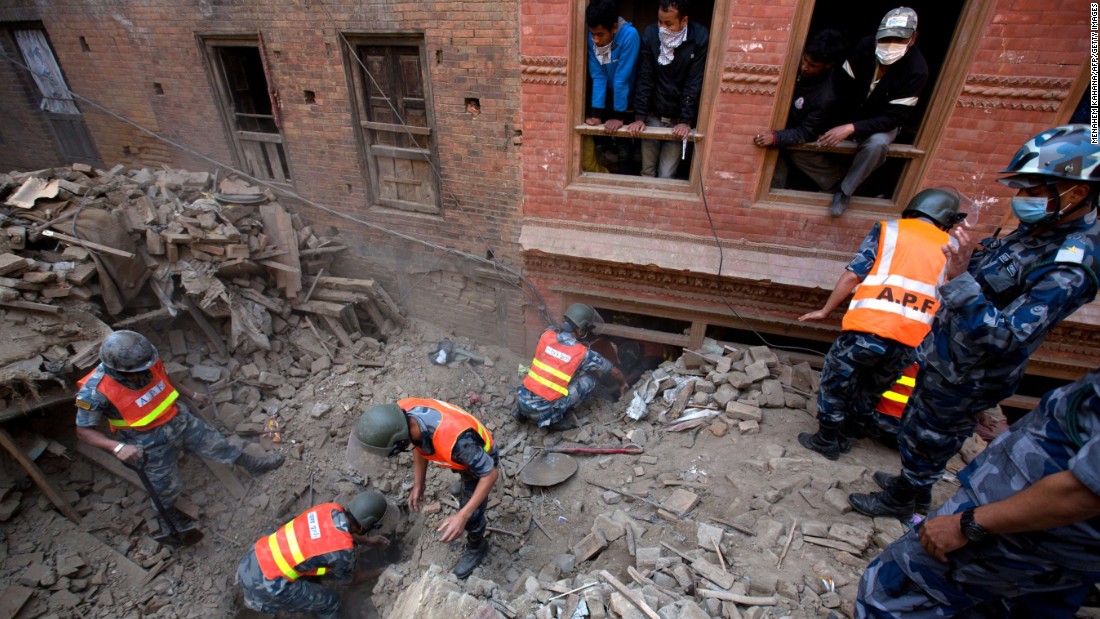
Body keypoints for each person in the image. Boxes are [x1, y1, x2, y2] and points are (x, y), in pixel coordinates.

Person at [850, 124, 1100, 518]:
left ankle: (905, 499)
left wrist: (960, 277)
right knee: (918, 426)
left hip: (970, 374)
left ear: (1077, 192)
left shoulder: (1069, 265)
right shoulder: (1038, 231)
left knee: (934, 436)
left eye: (1033, 191)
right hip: (947, 356)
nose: (1022, 199)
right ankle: (909, 484)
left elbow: (1007, 336)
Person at [855, 370, 1100, 618]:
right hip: (1054, 538)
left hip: (1027, 527)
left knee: (889, 594)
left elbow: (1084, 491)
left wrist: (970, 523)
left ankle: (909, 490)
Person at [797, 189, 964, 460]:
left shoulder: (890, 230)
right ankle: (848, 435)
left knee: (837, 381)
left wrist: (826, 310)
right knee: (872, 388)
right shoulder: (953, 249)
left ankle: (826, 439)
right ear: (946, 218)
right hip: (909, 339)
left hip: (868, 328)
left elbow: (853, 276)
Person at [74, 330, 284, 541]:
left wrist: (191, 393)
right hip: (148, 443)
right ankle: (170, 518)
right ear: (119, 369)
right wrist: (117, 448)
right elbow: (83, 431)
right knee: (164, 486)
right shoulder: (95, 391)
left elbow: (164, 378)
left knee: (218, 445)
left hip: (180, 422)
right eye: (140, 370)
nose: (146, 370)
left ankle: (254, 465)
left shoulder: (147, 361)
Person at [790, 7, 929, 216]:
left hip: (881, 122)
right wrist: (830, 121)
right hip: (850, 112)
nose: (890, 45)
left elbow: (894, 117)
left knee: (877, 144)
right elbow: (841, 86)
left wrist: (852, 128)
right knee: (803, 148)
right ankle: (839, 181)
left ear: (913, 38)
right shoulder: (865, 48)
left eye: (899, 40)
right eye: (886, 38)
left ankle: (845, 191)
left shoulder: (917, 71)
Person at [351, 398, 498, 579]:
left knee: (472, 516)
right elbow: (417, 444)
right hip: (464, 452)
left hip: (482, 454)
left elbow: (490, 474)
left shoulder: (456, 444)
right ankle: (466, 480)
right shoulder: (403, 415)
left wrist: (462, 516)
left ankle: (477, 547)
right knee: (464, 474)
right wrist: (419, 483)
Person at [237, 491, 393, 619]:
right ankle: (261, 602)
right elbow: (349, 582)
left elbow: (337, 530)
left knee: (314, 564)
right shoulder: (343, 551)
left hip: (253, 559)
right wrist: (381, 571)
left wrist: (367, 541)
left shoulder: (330, 508)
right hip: (268, 585)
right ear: (365, 525)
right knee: (330, 601)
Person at [753, 29, 847, 188]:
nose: (804, 67)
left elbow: (807, 132)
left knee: (783, 169)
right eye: (804, 60)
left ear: (828, 65)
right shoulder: (793, 66)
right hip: (784, 130)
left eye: (812, 65)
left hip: (791, 138)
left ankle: (837, 185)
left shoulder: (825, 96)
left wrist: (777, 137)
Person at [625, 0, 708, 179]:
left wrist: (685, 120)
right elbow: (645, 78)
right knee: (647, 171)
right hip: (653, 116)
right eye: (659, 22)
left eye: (668, 23)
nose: (662, 27)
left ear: (684, 21)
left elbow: (694, 82)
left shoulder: (699, 37)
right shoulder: (651, 35)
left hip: (678, 120)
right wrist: (640, 117)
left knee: (666, 175)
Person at [515, 303, 628, 431]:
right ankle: (554, 420)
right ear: (580, 330)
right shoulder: (583, 354)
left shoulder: (546, 334)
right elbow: (614, 371)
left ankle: (521, 412)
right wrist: (622, 383)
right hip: (543, 410)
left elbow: (550, 353)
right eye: (586, 328)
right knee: (589, 381)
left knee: (538, 376)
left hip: (522, 398)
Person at [583, 0, 639, 174]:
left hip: (629, 101)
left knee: (629, 152)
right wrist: (596, 115)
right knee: (611, 149)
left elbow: (622, 78)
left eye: (600, 34)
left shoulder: (630, 35)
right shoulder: (592, 38)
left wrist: (619, 116)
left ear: (614, 27)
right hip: (607, 99)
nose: (595, 40)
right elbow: (598, 76)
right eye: (592, 34)